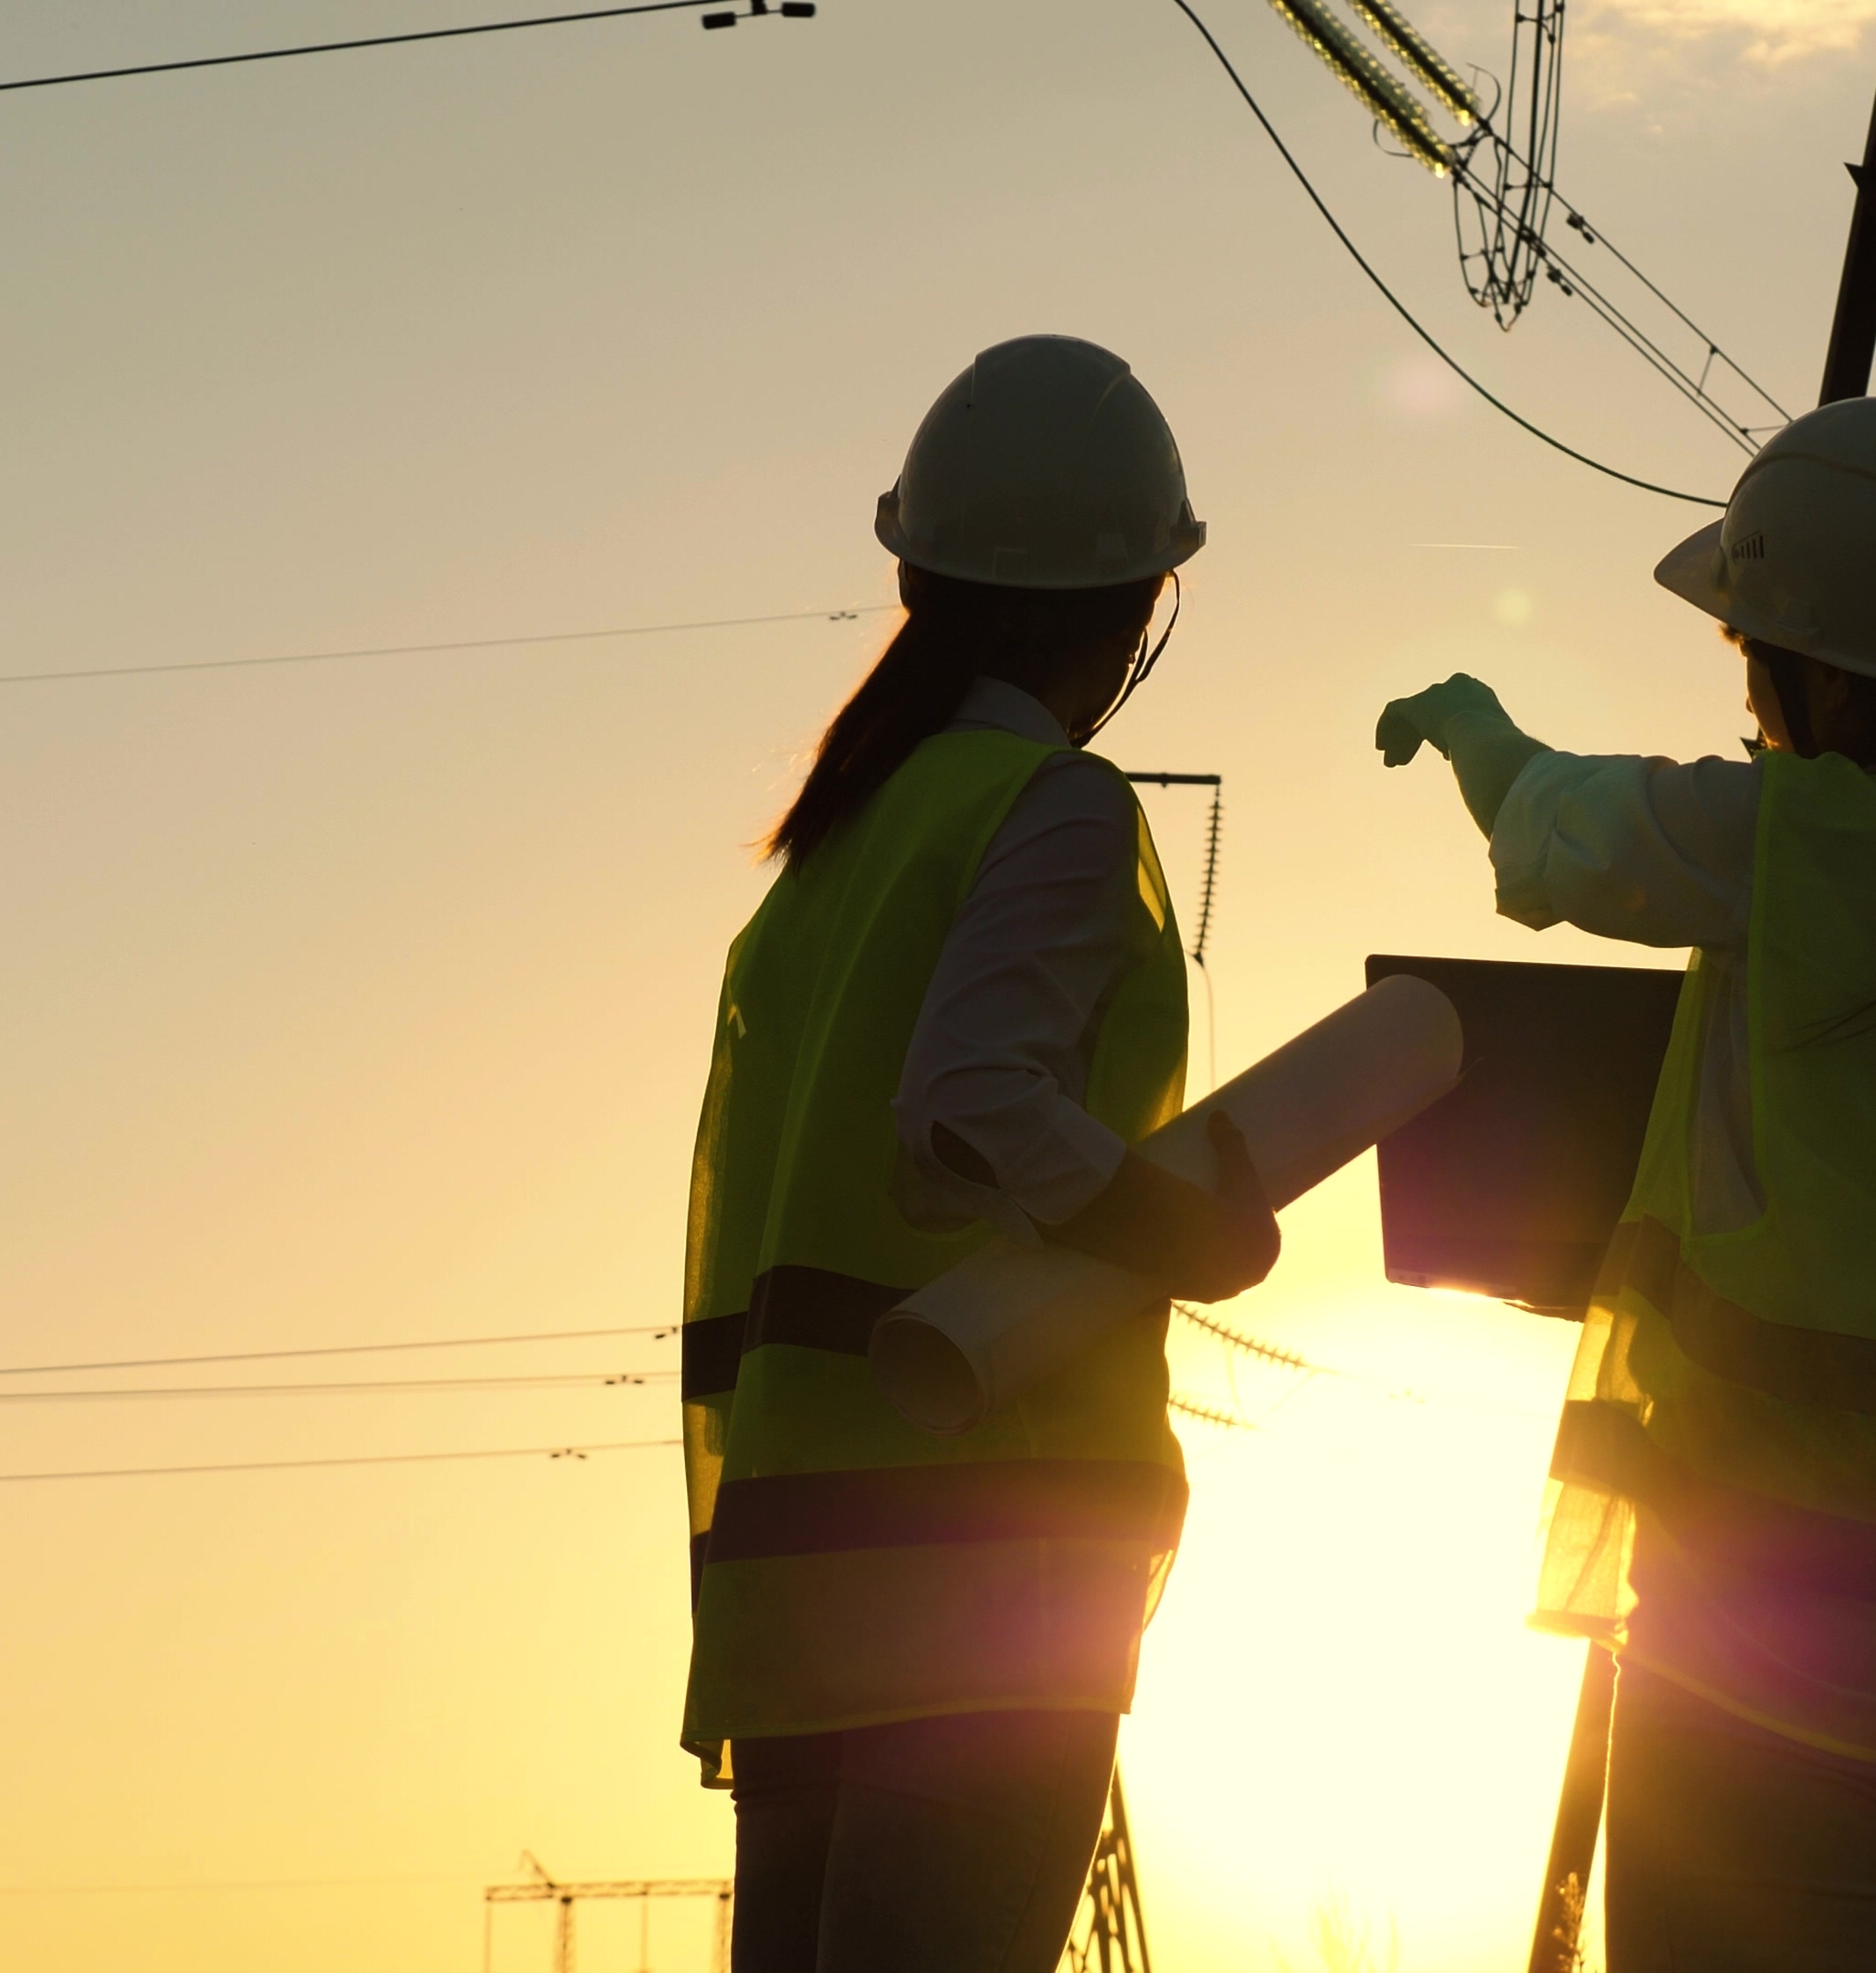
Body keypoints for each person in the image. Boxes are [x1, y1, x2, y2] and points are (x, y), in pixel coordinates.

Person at [1376, 396, 1876, 1973]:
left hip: (1793, 1617)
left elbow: (1575, 838)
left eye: (1754, 657)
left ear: (1828, 672)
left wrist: (1487, 742)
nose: (1747, 697)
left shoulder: (1810, 846)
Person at [679, 334, 1275, 1973]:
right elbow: (972, 1098)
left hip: (803, 1564)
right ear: (1141, 597)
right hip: (987, 1566)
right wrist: (1180, 1230)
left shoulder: (840, 848)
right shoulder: (1054, 807)